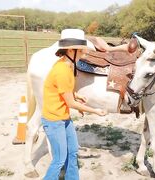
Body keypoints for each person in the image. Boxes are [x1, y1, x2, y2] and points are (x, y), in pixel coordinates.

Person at [41, 28, 107, 180]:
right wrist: (95, 111)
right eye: (82, 51)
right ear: (71, 50)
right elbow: (70, 103)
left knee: (72, 152)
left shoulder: (67, 65)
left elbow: (63, 91)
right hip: (54, 121)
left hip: (63, 118)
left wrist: (76, 95)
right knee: (59, 160)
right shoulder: (62, 70)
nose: (85, 54)